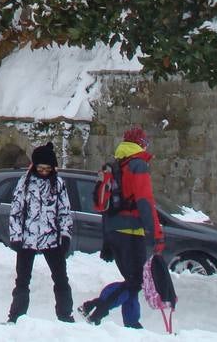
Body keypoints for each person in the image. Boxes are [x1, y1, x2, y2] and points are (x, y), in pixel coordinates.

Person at [79, 125, 163, 328]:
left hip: (115, 231)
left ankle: (132, 323)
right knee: (136, 281)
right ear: (141, 144)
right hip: (131, 232)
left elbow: (107, 208)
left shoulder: (117, 165)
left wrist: (107, 240)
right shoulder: (138, 165)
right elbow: (145, 201)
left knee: (131, 280)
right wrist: (156, 233)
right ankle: (96, 309)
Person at [6, 142, 74, 324]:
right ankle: (16, 317)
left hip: (51, 238)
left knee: (61, 278)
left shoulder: (58, 184)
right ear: (34, 166)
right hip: (27, 239)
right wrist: (15, 236)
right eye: (40, 168)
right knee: (22, 280)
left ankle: (65, 316)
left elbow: (64, 212)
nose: (44, 172)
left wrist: (65, 235)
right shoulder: (25, 183)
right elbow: (16, 211)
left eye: (47, 169)